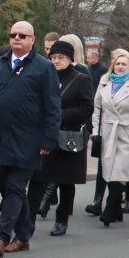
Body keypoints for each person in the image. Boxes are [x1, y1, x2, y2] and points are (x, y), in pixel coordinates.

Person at [0, 21, 61, 257]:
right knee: (10, 188)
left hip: (28, 140)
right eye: (13, 35)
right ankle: (23, 236)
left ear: (32, 39)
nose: (16, 38)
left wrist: (49, 140)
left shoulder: (43, 67)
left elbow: (52, 106)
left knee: (15, 186)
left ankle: (1, 237)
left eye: (22, 35)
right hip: (0, 138)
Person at [30, 41, 93, 236]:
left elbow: (86, 108)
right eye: (54, 57)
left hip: (68, 135)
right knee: (38, 178)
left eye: (61, 57)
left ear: (70, 59)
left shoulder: (80, 79)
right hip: (45, 135)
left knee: (66, 181)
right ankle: (28, 220)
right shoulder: (44, 77)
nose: (57, 61)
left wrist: (57, 115)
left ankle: (61, 219)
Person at [92, 50, 129, 226]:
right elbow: (97, 110)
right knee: (109, 171)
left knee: (120, 171)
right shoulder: (104, 83)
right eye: (117, 64)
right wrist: (96, 132)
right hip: (108, 133)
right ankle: (117, 210)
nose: (119, 67)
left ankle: (110, 208)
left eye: (124, 64)